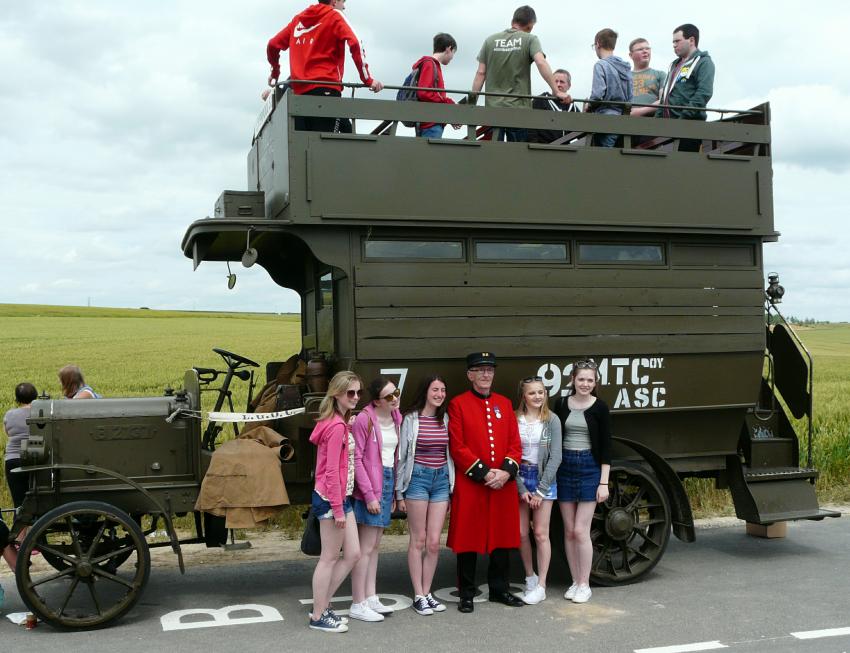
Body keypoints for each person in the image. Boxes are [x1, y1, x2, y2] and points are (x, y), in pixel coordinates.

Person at [447, 352, 523, 613]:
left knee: (502, 538)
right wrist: (484, 473)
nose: (485, 374)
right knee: (468, 540)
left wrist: (504, 472)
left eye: (489, 370)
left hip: (503, 483)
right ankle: (466, 593)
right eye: (479, 370)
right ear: (470, 375)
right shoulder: (458, 404)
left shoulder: (504, 403)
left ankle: (499, 590)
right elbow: (457, 446)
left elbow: (515, 444)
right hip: (473, 482)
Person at [266, 0, 384, 133]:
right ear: (334, 2)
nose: (344, 7)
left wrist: (275, 72)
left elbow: (272, 45)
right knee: (327, 145)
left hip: (298, 97)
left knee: (306, 147)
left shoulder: (298, 20)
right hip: (326, 91)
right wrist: (367, 79)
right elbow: (356, 43)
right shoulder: (335, 15)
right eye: (342, 2)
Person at [306, 370, 363, 633]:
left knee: (352, 553)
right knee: (329, 557)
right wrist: (338, 509)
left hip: (341, 497)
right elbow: (330, 471)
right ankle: (318, 615)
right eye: (350, 392)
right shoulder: (337, 425)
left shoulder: (339, 421)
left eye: (358, 392)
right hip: (332, 500)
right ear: (337, 394)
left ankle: (322, 604)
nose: (355, 397)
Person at [554, 360, 612, 605]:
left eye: (590, 380)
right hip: (565, 465)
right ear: (572, 381)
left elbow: (606, 447)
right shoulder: (561, 404)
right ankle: (575, 581)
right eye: (581, 379)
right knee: (568, 531)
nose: (585, 384)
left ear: (595, 383)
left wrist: (604, 482)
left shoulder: (600, 408)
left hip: (589, 467)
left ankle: (585, 583)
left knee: (580, 530)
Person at [396, 375, 453, 616]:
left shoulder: (446, 419)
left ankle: (428, 592)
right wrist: (399, 492)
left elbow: (450, 454)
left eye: (442, 390)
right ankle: (418, 594)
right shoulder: (411, 418)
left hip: (441, 481)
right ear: (425, 392)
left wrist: (451, 488)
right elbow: (402, 456)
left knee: (433, 542)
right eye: (435, 390)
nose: (440, 394)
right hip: (417, 479)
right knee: (418, 540)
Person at [471, 5, 570, 142]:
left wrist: (472, 103)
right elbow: (541, 63)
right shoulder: (530, 39)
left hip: (493, 110)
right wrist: (556, 91)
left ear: (513, 21)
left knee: (493, 156)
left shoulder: (490, 41)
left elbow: (481, 73)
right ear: (530, 25)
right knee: (517, 157)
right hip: (519, 110)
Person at [349, 376, 402, 622]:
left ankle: (370, 596)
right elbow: (357, 458)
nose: (395, 399)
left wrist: (392, 493)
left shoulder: (396, 418)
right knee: (365, 548)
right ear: (377, 401)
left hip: (387, 480)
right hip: (371, 485)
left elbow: (394, 456)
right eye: (389, 396)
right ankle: (358, 602)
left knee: (376, 546)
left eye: (397, 393)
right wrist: (370, 495)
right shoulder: (364, 419)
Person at [514, 376, 562, 605]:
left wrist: (541, 491)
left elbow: (556, 456)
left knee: (541, 533)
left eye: (541, 392)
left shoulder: (551, 420)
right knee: (522, 533)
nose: (537, 397)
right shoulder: (515, 420)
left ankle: (542, 585)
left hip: (544, 479)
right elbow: (510, 454)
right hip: (521, 477)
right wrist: (521, 487)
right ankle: (530, 577)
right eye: (532, 393)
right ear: (524, 396)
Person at [657, 23, 715, 122]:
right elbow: (665, 97)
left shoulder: (704, 62)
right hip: (666, 125)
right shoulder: (674, 65)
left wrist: (683, 118)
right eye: (673, 42)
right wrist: (657, 120)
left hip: (688, 125)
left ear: (691, 40)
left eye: (677, 41)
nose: (674, 45)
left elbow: (704, 93)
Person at [587, 28, 633, 147]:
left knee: (601, 157)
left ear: (598, 43)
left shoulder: (600, 65)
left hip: (604, 120)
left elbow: (597, 95)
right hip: (623, 120)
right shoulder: (626, 67)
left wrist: (589, 105)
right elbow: (630, 97)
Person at [410, 33, 459, 139]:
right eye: (453, 53)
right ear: (449, 49)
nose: (452, 57)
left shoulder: (431, 64)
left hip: (430, 121)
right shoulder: (430, 64)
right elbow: (424, 92)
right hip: (431, 123)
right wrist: (448, 102)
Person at [4, 382, 37, 510]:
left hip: (12, 460)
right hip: (34, 458)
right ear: (35, 396)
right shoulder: (40, 412)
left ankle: (19, 529)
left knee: (19, 505)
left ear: (17, 398)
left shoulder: (9, 414)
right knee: (36, 502)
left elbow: (7, 433)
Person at [528, 68, 580, 144]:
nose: (558, 84)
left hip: (565, 150)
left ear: (569, 86)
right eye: (555, 81)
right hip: (542, 148)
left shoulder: (572, 106)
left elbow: (581, 131)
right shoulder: (541, 100)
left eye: (562, 82)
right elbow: (530, 125)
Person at [628, 38, 665, 117]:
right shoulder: (624, 76)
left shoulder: (660, 74)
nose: (645, 51)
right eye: (640, 49)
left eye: (647, 48)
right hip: (626, 120)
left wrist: (641, 111)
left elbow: (664, 100)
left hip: (652, 122)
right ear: (631, 55)